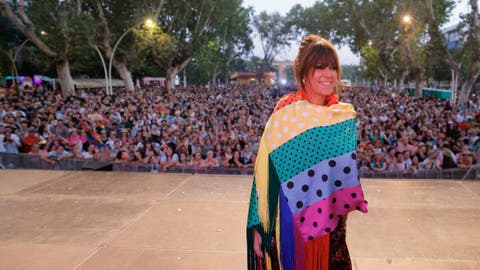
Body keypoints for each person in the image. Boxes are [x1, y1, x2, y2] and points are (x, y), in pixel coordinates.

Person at [246, 34, 368, 270]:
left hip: (331, 223)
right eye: (319, 67)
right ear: (303, 73)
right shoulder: (286, 110)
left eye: (333, 67)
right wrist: (259, 224)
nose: (328, 73)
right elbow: (265, 171)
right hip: (290, 221)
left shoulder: (341, 116)